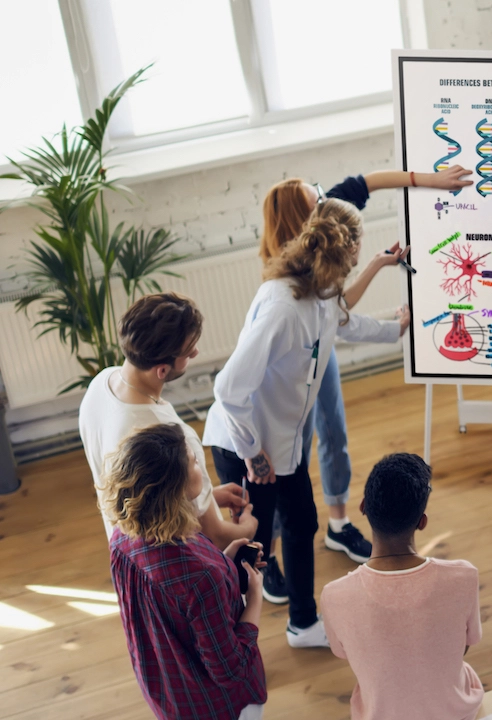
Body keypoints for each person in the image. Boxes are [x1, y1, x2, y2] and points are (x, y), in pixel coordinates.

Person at [203, 198, 409, 648]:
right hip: (246, 445)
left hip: (281, 446)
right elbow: (229, 388)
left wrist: (395, 329)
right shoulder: (283, 305)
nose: (360, 255)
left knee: (301, 524)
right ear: (347, 248)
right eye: (360, 247)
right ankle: (231, 642)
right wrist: (254, 453)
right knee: (252, 547)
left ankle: (302, 624)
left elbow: (345, 322)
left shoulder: (320, 291)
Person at [257, 166, 471, 574]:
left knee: (334, 433)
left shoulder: (331, 210)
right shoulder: (290, 272)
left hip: (320, 349)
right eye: (315, 198)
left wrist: (431, 179)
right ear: (303, 222)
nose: (325, 197)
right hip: (292, 365)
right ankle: (267, 555)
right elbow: (340, 314)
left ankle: (338, 524)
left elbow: (370, 182)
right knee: (291, 456)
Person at [104, 423, 267, 720]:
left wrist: (225, 564)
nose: (199, 465)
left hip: (169, 691)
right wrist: (255, 596)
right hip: (219, 707)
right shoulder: (202, 576)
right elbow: (230, 669)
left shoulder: (121, 540)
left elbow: (176, 603)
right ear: (175, 487)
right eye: (193, 461)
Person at [80, 292, 256, 548]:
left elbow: (151, 496)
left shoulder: (100, 384)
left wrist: (208, 499)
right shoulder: (170, 437)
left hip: (134, 550)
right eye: (189, 351)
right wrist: (248, 528)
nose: (196, 352)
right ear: (162, 370)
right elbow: (215, 535)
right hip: (179, 558)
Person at [322, 453, 483, 720]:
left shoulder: (334, 595)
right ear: (422, 522)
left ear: (363, 507)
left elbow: (343, 652)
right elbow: (463, 646)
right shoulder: (464, 577)